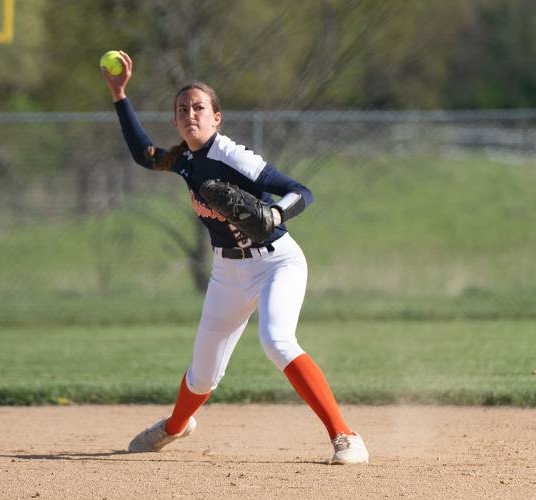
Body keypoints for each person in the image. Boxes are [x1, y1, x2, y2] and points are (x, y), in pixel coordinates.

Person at [101, 51, 368, 465]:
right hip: (228, 271)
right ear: (176, 120)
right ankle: (175, 427)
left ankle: (346, 436)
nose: (190, 113)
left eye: (199, 107)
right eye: (182, 109)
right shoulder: (186, 161)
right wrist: (120, 95)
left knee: (276, 340)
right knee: (203, 373)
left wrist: (277, 212)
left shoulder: (233, 156)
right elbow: (146, 155)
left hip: (276, 261)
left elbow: (301, 190)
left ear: (216, 118)